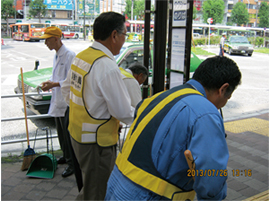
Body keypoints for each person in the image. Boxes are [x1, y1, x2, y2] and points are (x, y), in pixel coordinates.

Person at [105, 56, 242, 201]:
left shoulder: (162, 96)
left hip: (116, 187)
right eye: (228, 97)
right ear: (223, 89)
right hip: (149, 195)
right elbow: (211, 181)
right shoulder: (205, 112)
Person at [67, 11, 135, 200]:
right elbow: (122, 111)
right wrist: (143, 115)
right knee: (98, 192)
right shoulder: (106, 66)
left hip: (77, 135)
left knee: (89, 185)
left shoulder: (82, 56)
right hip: (97, 143)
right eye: (124, 35)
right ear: (114, 35)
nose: (123, 40)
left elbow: (68, 92)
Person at [39, 27, 76, 178]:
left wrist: (53, 84)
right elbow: (59, 76)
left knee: (68, 134)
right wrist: (51, 83)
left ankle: (73, 164)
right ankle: (66, 156)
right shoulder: (57, 55)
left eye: (47, 39)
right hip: (58, 101)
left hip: (66, 102)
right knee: (60, 133)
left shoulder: (69, 55)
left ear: (57, 39)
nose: (45, 42)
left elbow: (71, 81)